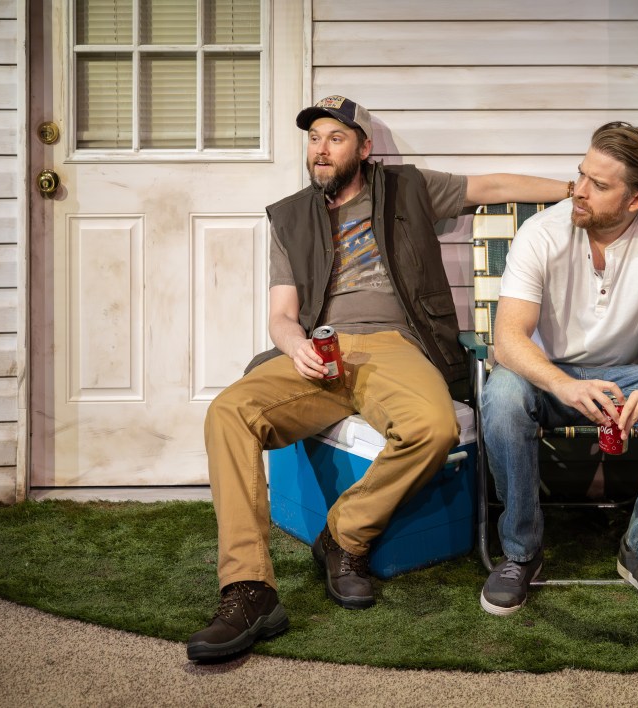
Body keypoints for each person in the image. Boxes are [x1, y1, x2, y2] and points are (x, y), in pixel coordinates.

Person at [187, 95, 571, 661]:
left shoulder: (408, 188)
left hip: (395, 346)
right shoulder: (290, 218)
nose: (321, 149)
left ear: (364, 148)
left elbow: (490, 185)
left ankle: (344, 537)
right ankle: (249, 590)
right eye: (314, 138)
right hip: (321, 349)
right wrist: (295, 346)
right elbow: (281, 314)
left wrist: (574, 191)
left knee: (434, 429)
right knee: (228, 412)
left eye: (336, 138)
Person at [478, 122, 638, 618]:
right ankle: (520, 553)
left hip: (622, 379)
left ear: (636, 200)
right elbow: (508, 340)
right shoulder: (540, 233)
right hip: (544, 377)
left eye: (599, 184)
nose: (579, 190)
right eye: (581, 174)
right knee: (502, 395)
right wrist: (563, 384)